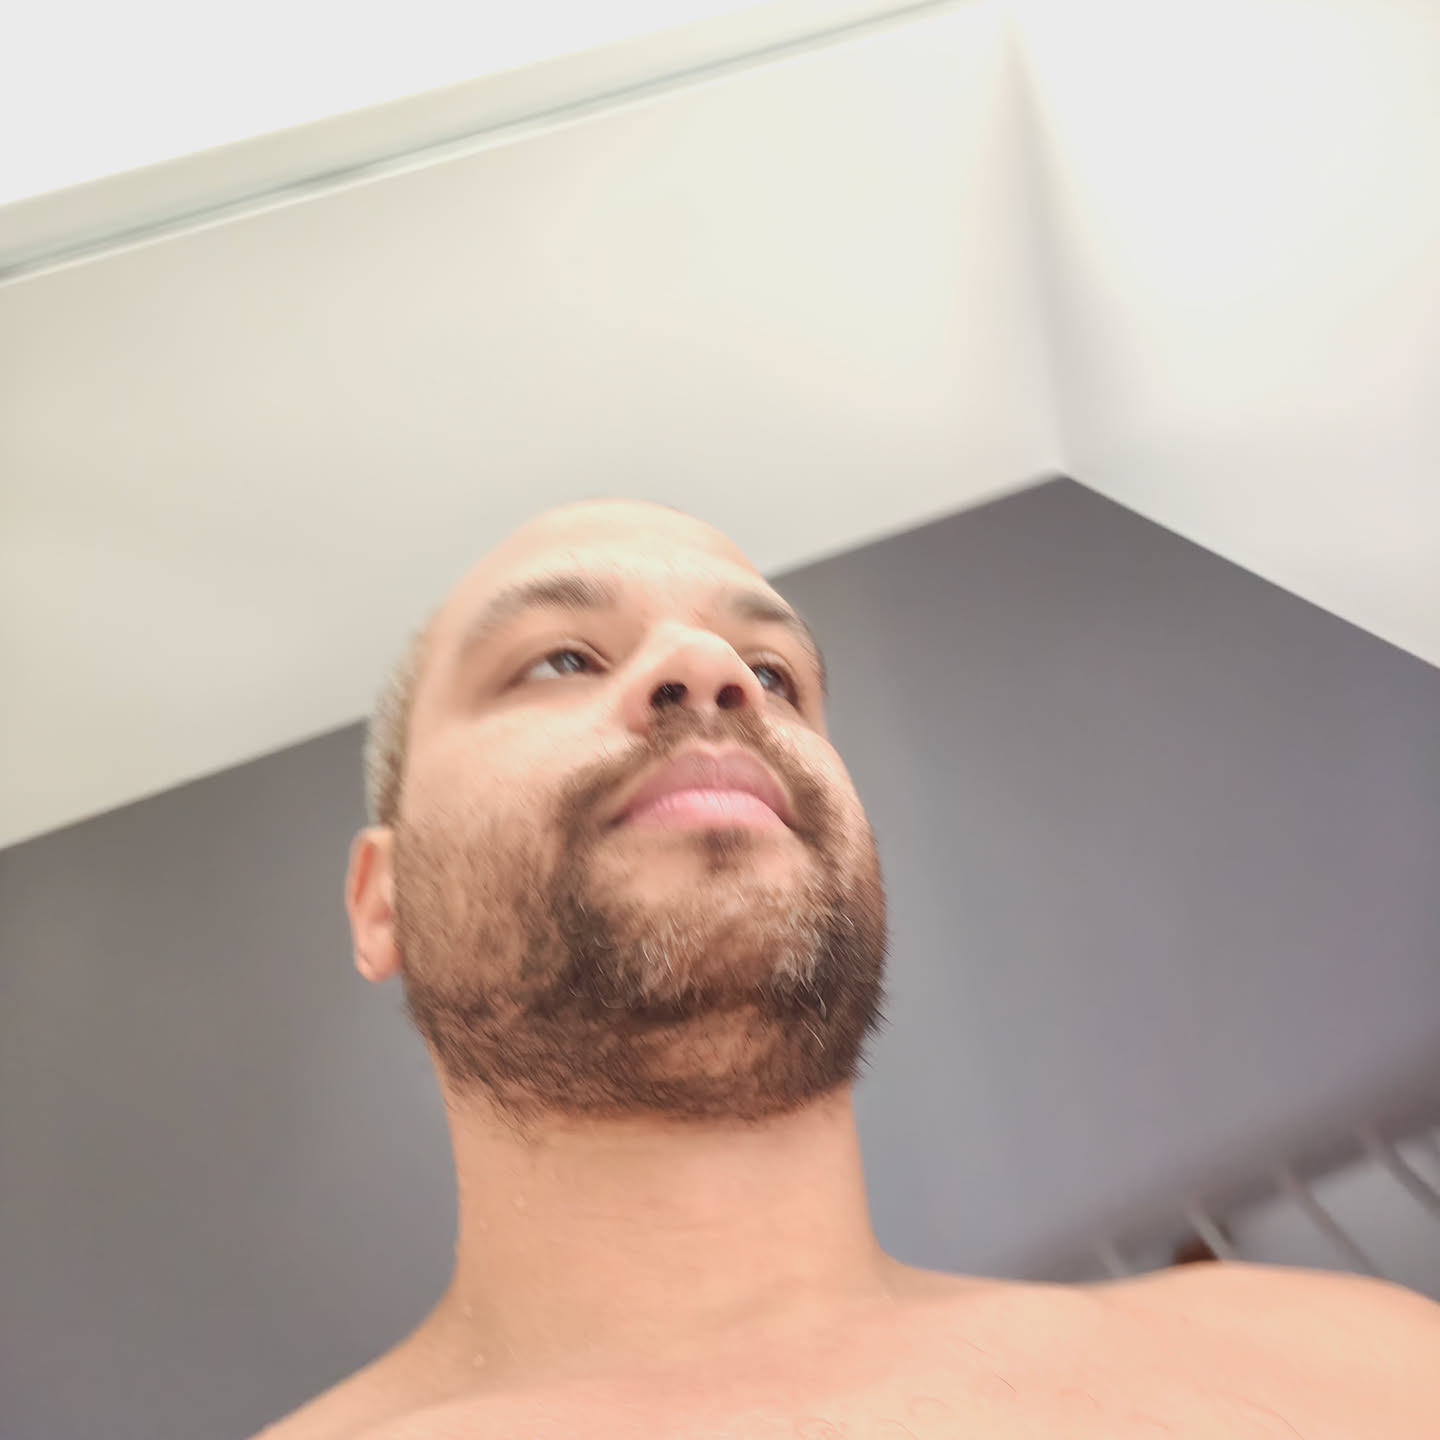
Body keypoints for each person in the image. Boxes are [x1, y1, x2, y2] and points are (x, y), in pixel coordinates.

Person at [256, 499, 1440, 1440]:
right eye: (560, 658)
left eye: (775, 675)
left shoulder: (1357, 1366)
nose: (707, 666)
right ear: (382, 899)